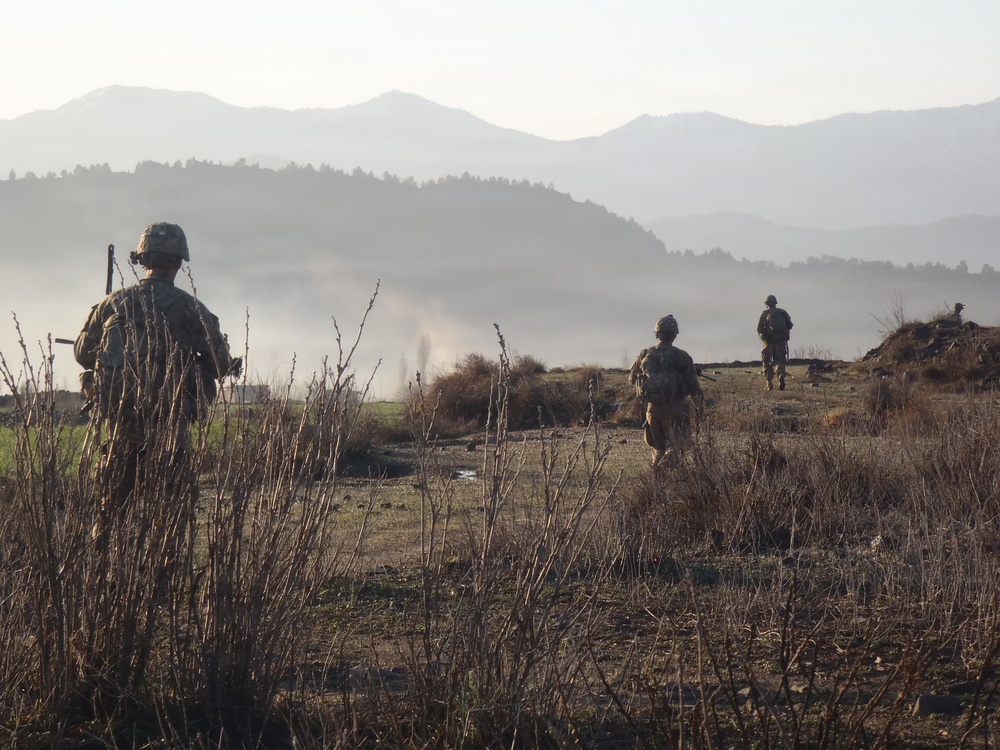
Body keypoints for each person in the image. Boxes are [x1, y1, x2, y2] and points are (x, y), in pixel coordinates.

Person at [74, 222, 239, 503]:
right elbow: (221, 364)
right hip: (170, 427)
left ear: (143, 259)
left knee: (111, 506)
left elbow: (82, 354)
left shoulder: (112, 303)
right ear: (178, 262)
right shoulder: (191, 309)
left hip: (121, 424)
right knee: (175, 508)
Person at [629, 315, 705, 468]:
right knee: (681, 445)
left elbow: (632, 379)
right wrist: (700, 411)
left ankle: (656, 478)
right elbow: (694, 388)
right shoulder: (682, 356)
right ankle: (661, 470)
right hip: (675, 408)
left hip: (652, 410)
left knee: (659, 448)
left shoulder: (645, 354)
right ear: (674, 335)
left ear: (657, 333)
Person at [757, 294, 793, 391]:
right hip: (780, 341)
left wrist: (764, 337)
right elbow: (790, 325)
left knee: (766, 361)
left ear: (766, 303)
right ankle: (780, 375)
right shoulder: (782, 312)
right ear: (775, 302)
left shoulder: (764, 313)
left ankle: (769, 383)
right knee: (780, 361)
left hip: (768, 342)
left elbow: (759, 328)